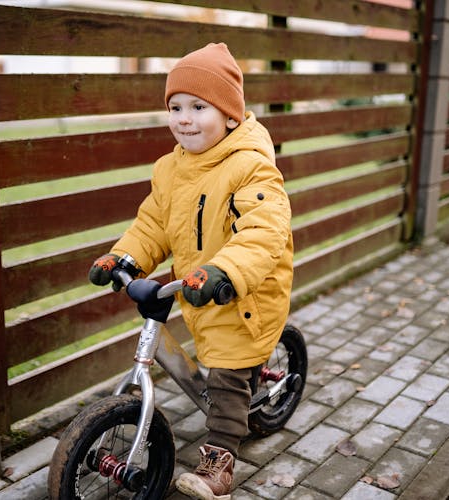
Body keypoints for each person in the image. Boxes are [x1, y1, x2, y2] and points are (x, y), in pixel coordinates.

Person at [88, 42, 293, 500]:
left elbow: (264, 230)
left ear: (230, 116)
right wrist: (125, 257)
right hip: (197, 288)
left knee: (225, 374)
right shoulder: (170, 169)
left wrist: (226, 271)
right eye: (176, 107)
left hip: (241, 292)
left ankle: (220, 458)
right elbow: (154, 224)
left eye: (199, 107)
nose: (184, 118)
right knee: (202, 350)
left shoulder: (250, 167)